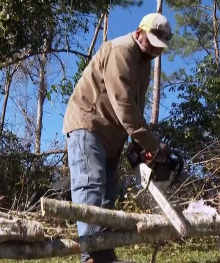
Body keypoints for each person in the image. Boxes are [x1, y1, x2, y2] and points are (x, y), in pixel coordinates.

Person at [62, 13, 172, 263]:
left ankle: (104, 256)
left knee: (107, 195)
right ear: (139, 32)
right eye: (151, 42)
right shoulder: (122, 50)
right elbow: (123, 103)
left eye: (159, 46)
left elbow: (137, 106)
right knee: (91, 186)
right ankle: (90, 256)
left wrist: (138, 144)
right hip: (89, 126)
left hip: (112, 136)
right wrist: (153, 144)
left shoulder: (144, 64)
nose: (154, 49)